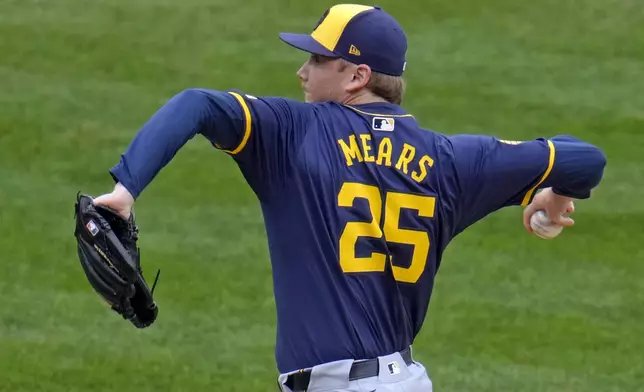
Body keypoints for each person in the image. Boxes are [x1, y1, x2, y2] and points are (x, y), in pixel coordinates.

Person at [92, 4, 607, 391]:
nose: (302, 72)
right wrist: (557, 196)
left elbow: (196, 104)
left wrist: (124, 190)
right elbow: (585, 158)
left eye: (317, 59)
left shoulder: (292, 132)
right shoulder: (451, 160)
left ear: (357, 76)